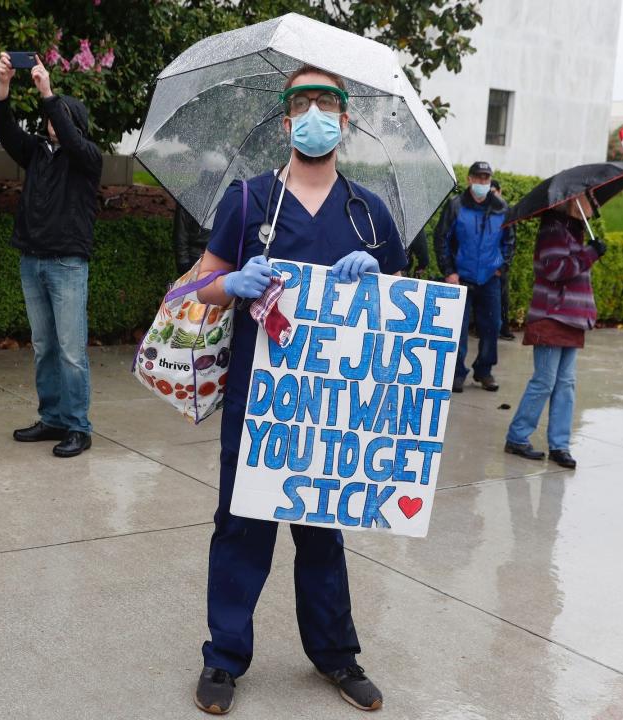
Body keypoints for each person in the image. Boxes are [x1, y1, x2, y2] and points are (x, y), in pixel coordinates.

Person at [192, 65, 407, 715]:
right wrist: (231, 285)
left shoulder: (368, 212)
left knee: (323, 532)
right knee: (241, 527)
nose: (315, 114)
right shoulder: (250, 201)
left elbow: (405, 304)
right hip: (258, 403)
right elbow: (202, 284)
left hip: (330, 412)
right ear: (286, 122)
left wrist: (378, 279)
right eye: (302, 103)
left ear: (345, 121)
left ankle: (336, 655)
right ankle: (224, 657)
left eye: (328, 103)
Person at [0, 52, 103, 459]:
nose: (51, 122)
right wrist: (3, 85)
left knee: (71, 350)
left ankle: (78, 426)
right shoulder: (37, 152)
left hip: (67, 263)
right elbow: (3, 129)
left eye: (59, 116)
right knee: (45, 346)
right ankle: (53, 417)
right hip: (32, 260)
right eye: (50, 116)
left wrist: (47, 92)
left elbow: (73, 140)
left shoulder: (87, 157)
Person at [504, 192, 606, 469]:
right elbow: (555, 269)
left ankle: (560, 446)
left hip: (572, 318)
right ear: (572, 200)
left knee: (566, 384)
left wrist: (588, 250)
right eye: (588, 200)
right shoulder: (553, 229)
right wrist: (590, 254)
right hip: (552, 316)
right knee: (545, 381)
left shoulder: (575, 230)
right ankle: (517, 437)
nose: (593, 207)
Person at [434, 161, 513, 393]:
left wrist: (502, 267)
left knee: (492, 326)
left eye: (486, 179)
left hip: (489, 278)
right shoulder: (456, 206)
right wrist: (448, 271)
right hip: (461, 278)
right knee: (458, 330)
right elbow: (442, 239)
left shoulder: (502, 208)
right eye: (478, 178)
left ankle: (484, 371)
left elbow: (509, 241)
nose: (482, 182)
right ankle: (457, 373)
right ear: (469, 179)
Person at [491, 179, 516, 341]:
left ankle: (503, 328)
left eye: (494, 192)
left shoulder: (506, 212)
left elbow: (511, 241)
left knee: (502, 297)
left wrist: (503, 266)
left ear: (500, 191)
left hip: (499, 264)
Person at [172, 203, 211, 275]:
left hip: (214, 259)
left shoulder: (226, 200)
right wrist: (183, 262)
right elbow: (181, 233)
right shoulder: (188, 201)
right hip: (194, 257)